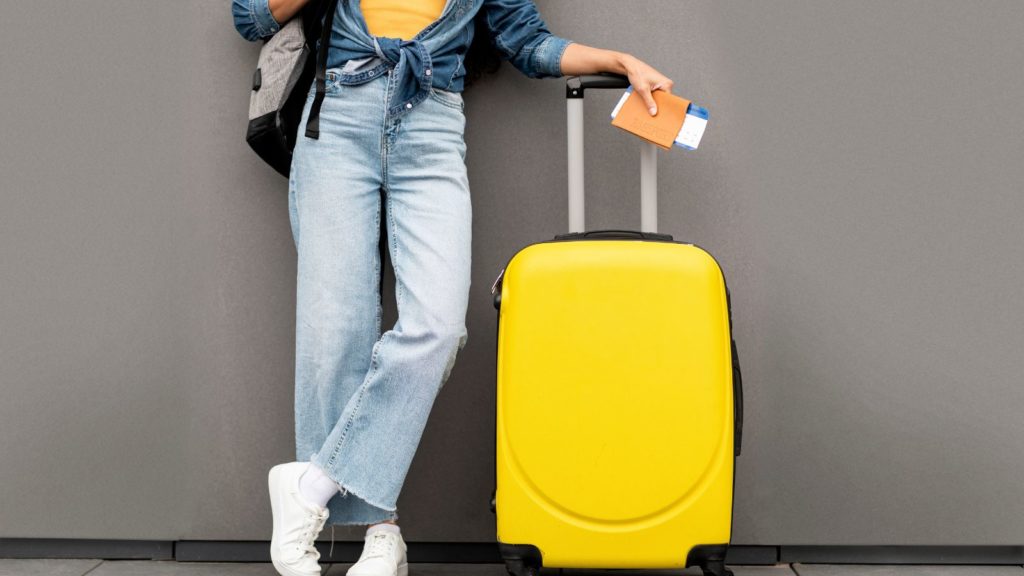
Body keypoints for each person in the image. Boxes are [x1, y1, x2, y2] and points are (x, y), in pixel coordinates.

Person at [231, 1, 673, 576]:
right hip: (336, 120)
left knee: (437, 327)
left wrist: (619, 59)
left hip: (431, 128)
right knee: (335, 330)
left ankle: (309, 487)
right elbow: (251, 17)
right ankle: (380, 530)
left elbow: (529, 43)